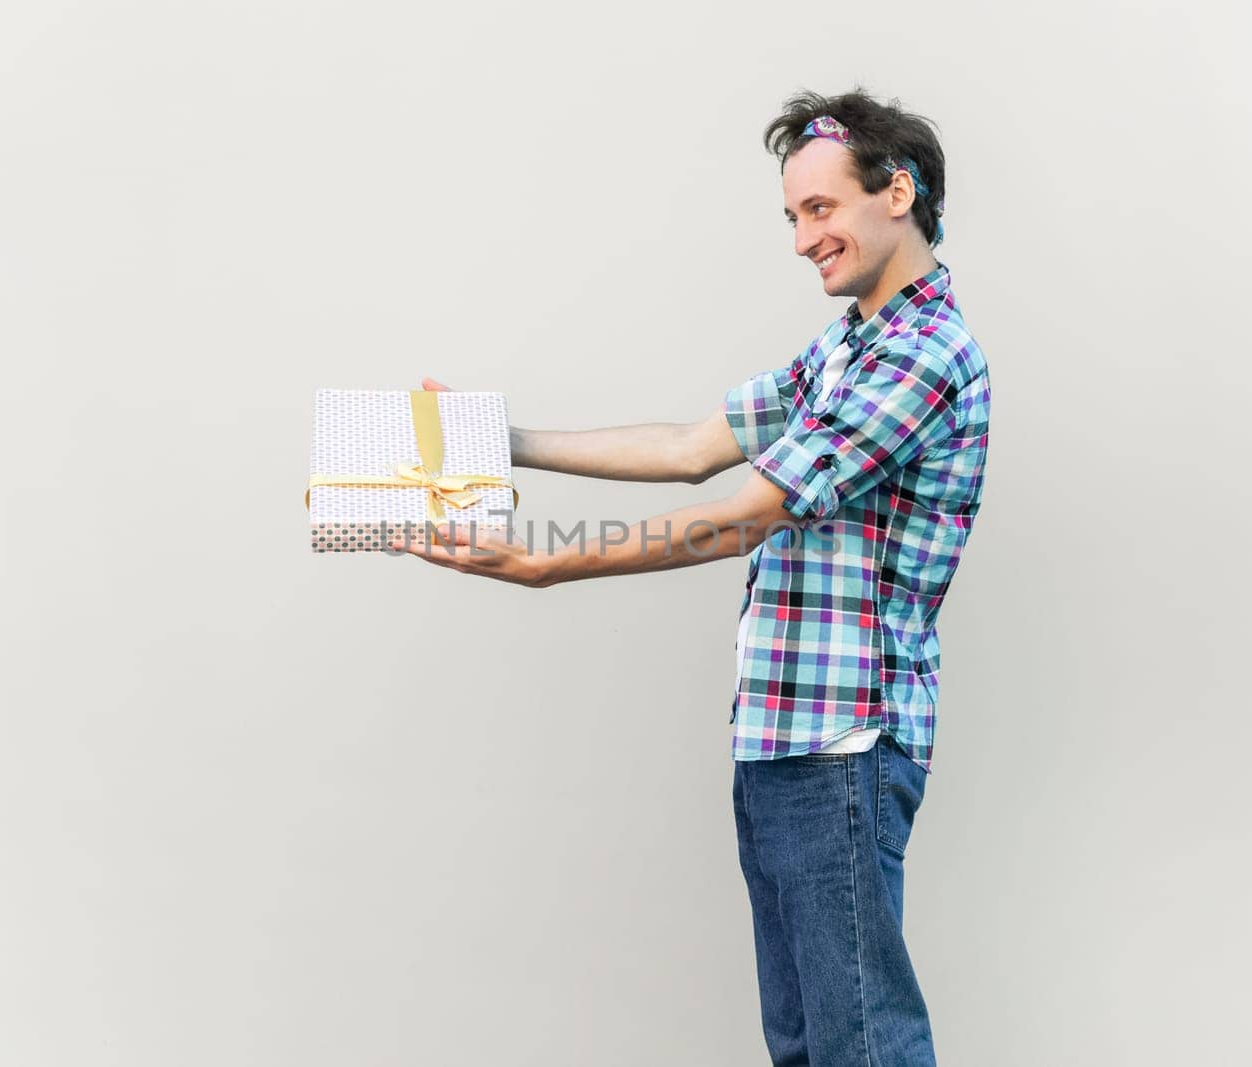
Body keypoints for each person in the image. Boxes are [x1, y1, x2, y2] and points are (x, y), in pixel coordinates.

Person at [396, 88, 990, 1067]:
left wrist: (547, 564)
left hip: (844, 742)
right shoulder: (849, 350)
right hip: (779, 736)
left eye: (820, 209)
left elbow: (741, 513)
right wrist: (492, 442)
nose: (803, 239)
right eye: (793, 216)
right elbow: (689, 447)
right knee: (805, 1045)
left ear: (898, 193)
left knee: (861, 1045)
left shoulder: (923, 356)